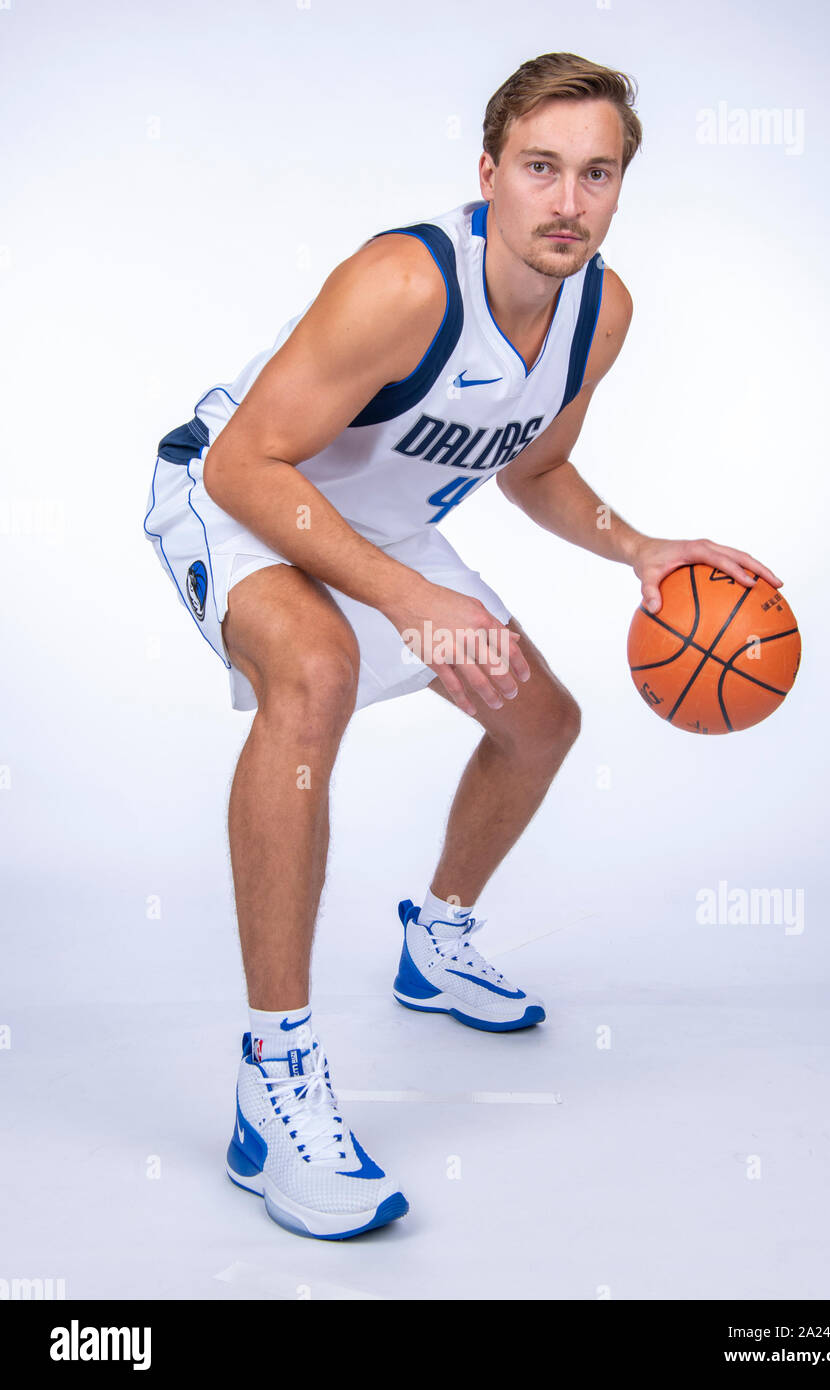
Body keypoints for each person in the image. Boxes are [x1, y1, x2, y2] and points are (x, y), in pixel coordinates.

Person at [143, 52, 783, 1241]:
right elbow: (246, 463)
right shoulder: (404, 284)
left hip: (375, 517)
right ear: (489, 173)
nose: (568, 201)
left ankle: (435, 942)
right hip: (238, 495)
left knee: (542, 723)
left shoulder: (602, 311)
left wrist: (638, 548)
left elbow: (533, 464)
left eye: (597, 174)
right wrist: (404, 598)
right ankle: (273, 1077)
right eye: (541, 168)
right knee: (318, 672)